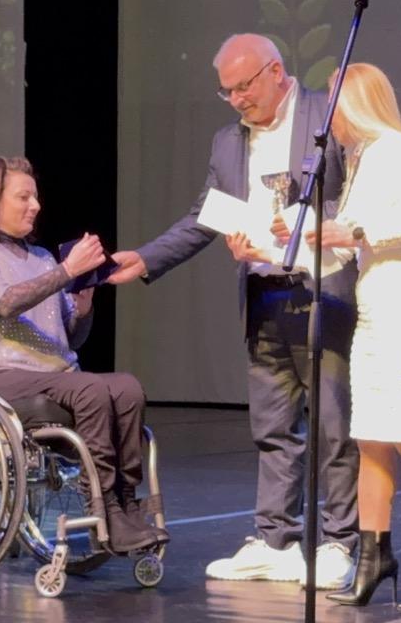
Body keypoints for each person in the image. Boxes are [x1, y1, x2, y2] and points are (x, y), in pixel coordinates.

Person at [108, 33, 360, 588]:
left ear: (276, 72)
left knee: (334, 427)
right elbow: (205, 216)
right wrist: (147, 258)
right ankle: (275, 541)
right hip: (264, 295)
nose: (238, 100)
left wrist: (308, 223)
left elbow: (356, 197)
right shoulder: (228, 141)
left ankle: (341, 543)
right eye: (228, 92)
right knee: (273, 427)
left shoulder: (327, 114)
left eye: (244, 87)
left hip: (323, 290)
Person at [0, 155, 168, 554]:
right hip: (0, 376)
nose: (35, 205)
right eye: (23, 197)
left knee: (127, 388)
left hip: (55, 376)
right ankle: (104, 512)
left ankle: (126, 506)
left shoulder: (42, 257)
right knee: (91, 390)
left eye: (35, 197)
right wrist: (67, 271)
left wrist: (82, 309)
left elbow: (70, 338)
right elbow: (5, 303)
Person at [305, 63, 401, 614]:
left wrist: (356, 231)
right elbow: (344, 250)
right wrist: (275, 247)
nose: (329, 116)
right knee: (370, 441)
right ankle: (374, 558)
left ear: (355, 103)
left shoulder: (395, 149)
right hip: (374, 314)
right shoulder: (362, 158)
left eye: (334, 103)